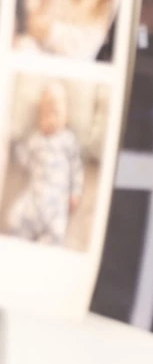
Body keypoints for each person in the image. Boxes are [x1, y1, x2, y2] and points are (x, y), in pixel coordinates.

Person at [5, 80, 83, 247]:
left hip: (57, 203)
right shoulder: (35, 139)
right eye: (45, 114)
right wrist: (14, 146)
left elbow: (76, 169)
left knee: (56, 234)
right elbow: (24, 161)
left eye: (56, 113)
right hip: (34, 197)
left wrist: (75, 193)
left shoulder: (68, 140)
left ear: (66, 116)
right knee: (16, 218)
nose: (50, 119)